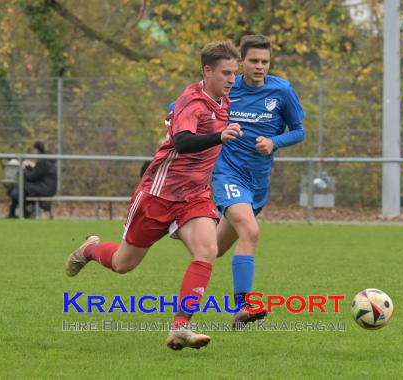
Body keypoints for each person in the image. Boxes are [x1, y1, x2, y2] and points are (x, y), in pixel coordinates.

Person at [64, 41, 242, 350]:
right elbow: (184, 142)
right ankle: (90, 250)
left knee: (206, 250)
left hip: (195, 195)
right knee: (123, 263)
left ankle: (180, 328)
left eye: (234, 74)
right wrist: (219, 136)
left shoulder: (224, 102)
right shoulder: (191, 101)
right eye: (226, 73)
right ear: (207, 70)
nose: (231, 79)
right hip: (159, 194)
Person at [211, 35, 306, 328]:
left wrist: (274, 142)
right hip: (226, 173)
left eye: (265, 61)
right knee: (250, 232)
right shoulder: (228, 88)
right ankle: (242, 307)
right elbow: (185, 105)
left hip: (257, 183)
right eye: (254, 61)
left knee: (210, 250)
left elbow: (299, 130)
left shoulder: (281, 90)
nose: (260, 66)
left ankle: (179, 227)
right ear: (242, 62)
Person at [6, 141, 57, 218]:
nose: (34, 154)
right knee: (18, 188)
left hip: (44, 189)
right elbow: (36, 172)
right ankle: (20, 211)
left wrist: (22, 169)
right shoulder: (46, 162)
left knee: (18, 188)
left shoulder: (43, 162)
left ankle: (19, 212)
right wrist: (28, 166)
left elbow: (31, 177)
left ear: (38, 152)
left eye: (35, 152)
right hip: (47, 188)